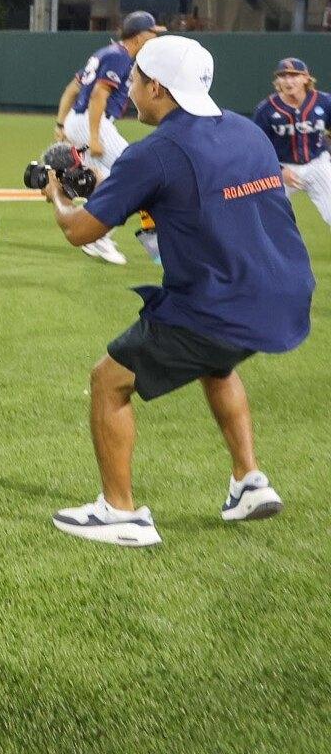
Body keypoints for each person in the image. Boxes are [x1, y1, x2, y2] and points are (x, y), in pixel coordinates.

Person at [43, 36, 312, 547]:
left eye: (137, 81)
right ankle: (249, 481)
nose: (130, 91)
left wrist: (57, 197)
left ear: (159, 88)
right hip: (282, 293)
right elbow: (193, 191)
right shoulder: (246, 130)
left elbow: (82, 231)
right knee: (217, 362)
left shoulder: (158, 150)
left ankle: (120, 513)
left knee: (108, 381)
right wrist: (114, 185)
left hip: (219, 303)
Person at [57, 10, 167, 265]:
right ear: (139, 36)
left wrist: (61, 123)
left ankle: (93, 235)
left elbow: (72, 88)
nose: (156, 37)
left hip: (80, 120)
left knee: (104, 182)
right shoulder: (120, 56)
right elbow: (98, 95)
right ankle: (98, 238)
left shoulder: (106, 53)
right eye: (152, 33)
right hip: (93, 122)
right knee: (138, 172)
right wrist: (94, 137)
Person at [252, 56, 331, 229]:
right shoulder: (266, 109)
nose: (288, 80)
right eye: (283, 76)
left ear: (306, 78)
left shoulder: (324, 102)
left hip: (317, 163)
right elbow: (255, 147)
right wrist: (278, 170)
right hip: (280, 167)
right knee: (264, 218)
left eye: (294, 75)